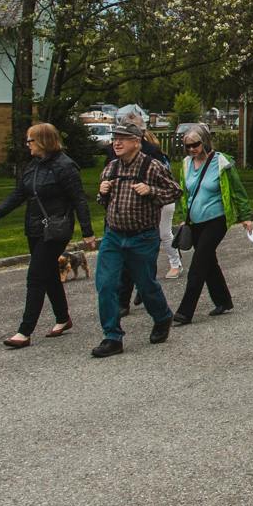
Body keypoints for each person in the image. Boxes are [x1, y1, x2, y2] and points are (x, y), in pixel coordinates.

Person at [0, 121, 93, 348]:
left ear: (42, 141)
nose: (27, 144)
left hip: (56, 229)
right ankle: (63, 318)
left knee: (36, 276)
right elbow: (19, 194)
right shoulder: (33, 166)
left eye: (30, 140)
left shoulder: (65, 166)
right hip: (34, 227)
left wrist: (87, 231)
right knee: (50, 273)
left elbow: (79, 199)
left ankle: (24, 331)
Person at [89, 116, 181, 358]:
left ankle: (162, 317)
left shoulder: (152, 166)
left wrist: (150, 191)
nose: (116, 144)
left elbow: (175, 191)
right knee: (106, 284)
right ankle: (112, 336)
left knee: (146, 284)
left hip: (142, 237)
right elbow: (104, 202)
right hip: (113, 235)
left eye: (123, 139)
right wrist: (102, 192)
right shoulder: (111, 168)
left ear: (137, 142)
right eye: (115, 139)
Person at [170, 121, 253, 325]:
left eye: (195, 145)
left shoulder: (222, 162)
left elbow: (237, 190)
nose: (191, 150)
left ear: (205, 142)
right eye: (187, 146)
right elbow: (184, 192)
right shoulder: (186, 164)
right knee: (208, 261)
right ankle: (224, 300)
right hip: (194, 220)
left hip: (217, 220)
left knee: (198, 264)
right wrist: (183, 216)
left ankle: (184, 312)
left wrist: (245, 216)